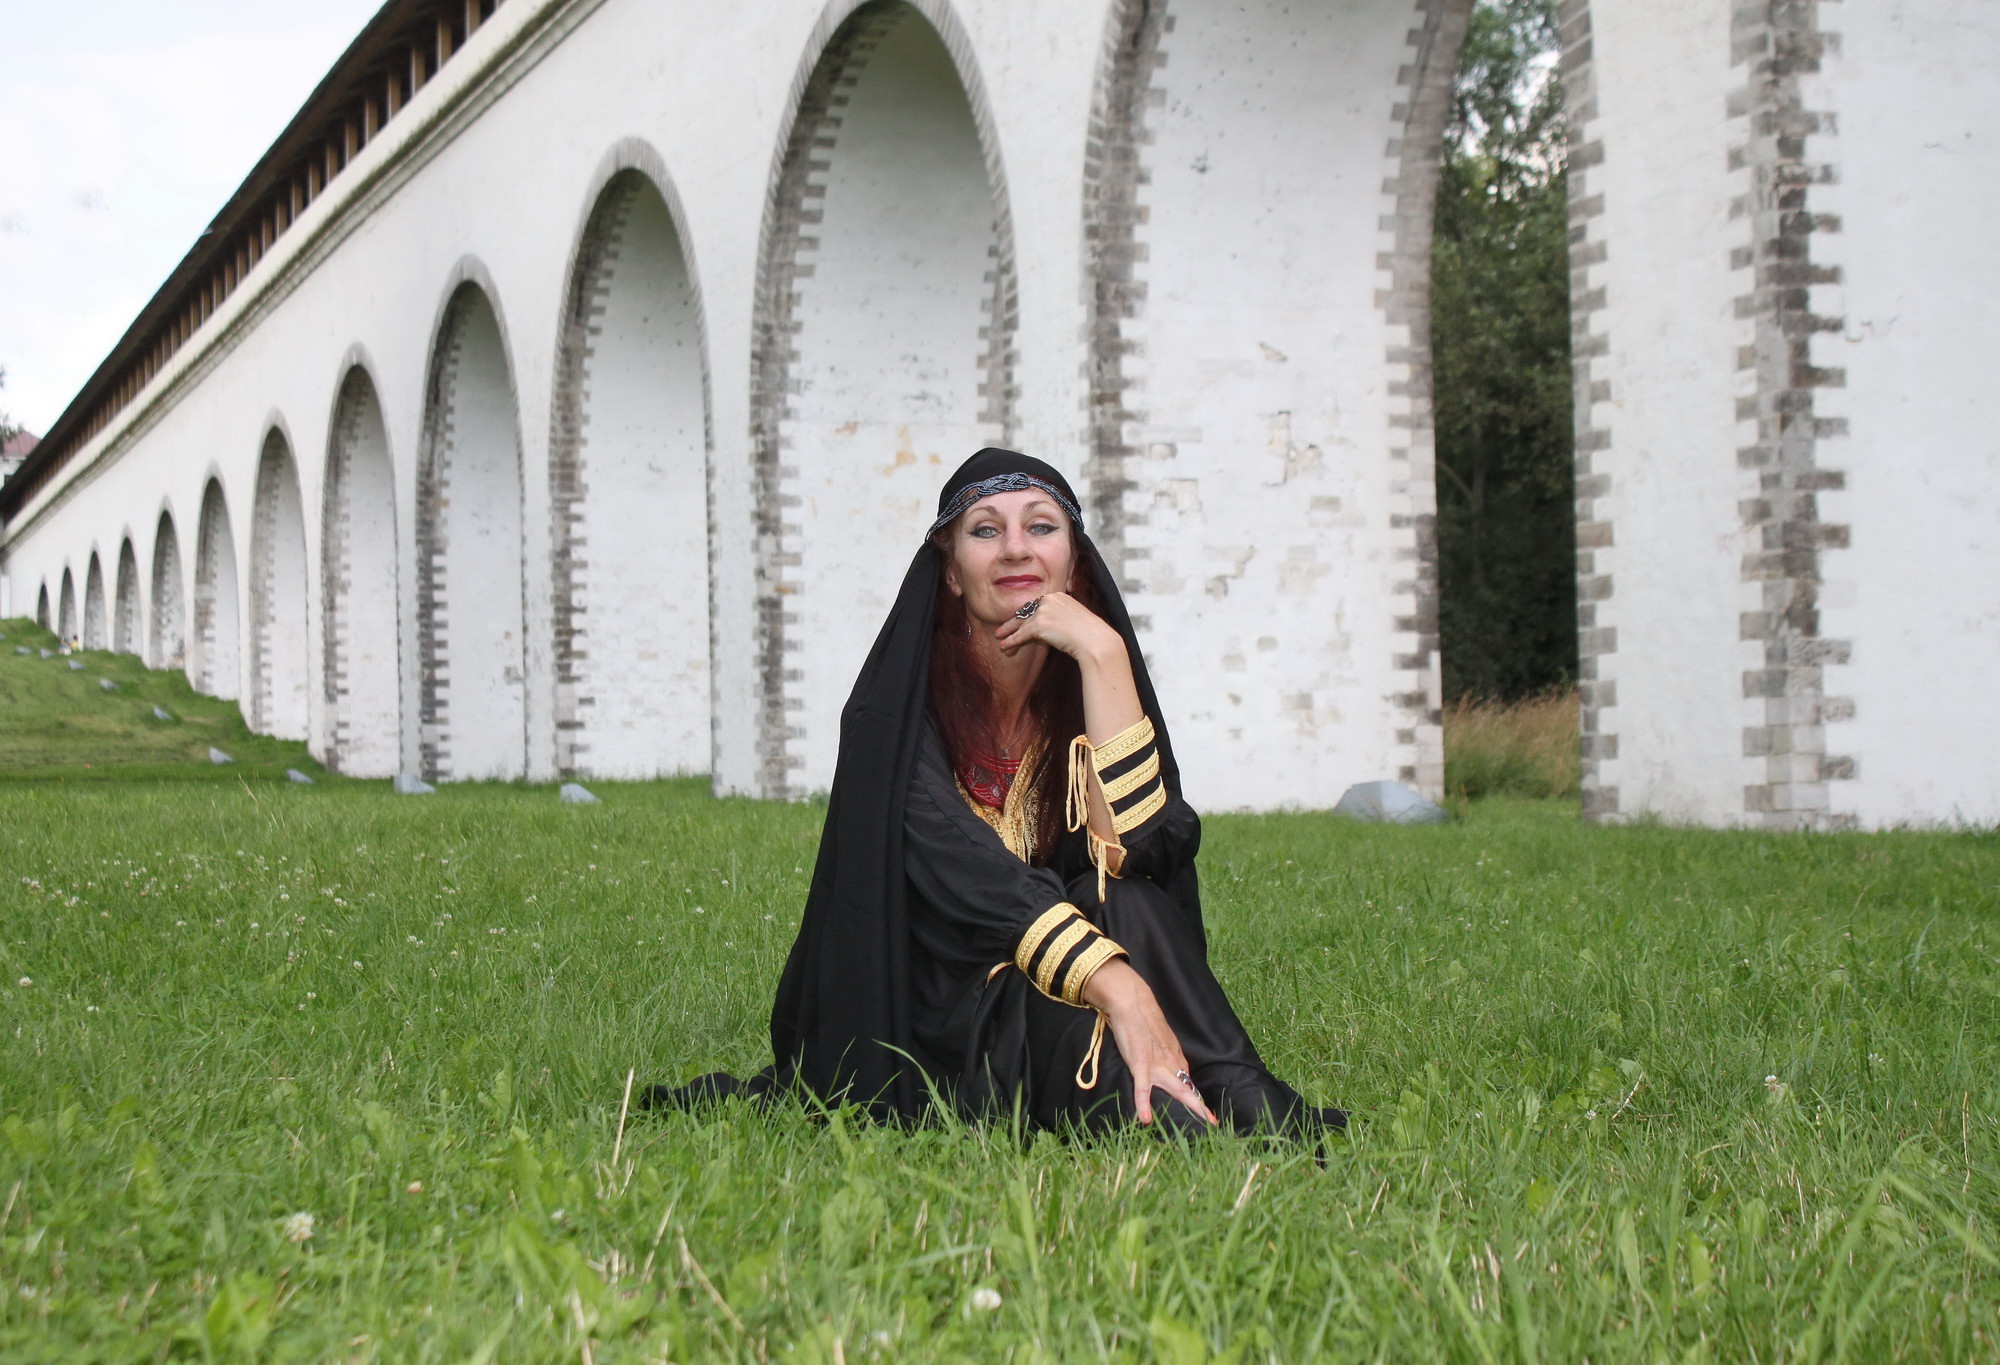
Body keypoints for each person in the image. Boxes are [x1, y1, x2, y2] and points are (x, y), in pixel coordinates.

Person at [652, 449, 1343, 1137]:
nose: (1016, 547)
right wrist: (1119, 987)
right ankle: (1189, 1112)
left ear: (1074, 563)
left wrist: (1103, 654)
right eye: (985, 529)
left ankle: (1237, 1095)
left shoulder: (1088, 686)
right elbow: (971, 880)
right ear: (952, 570)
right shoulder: (891, 717)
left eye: (1041, 526)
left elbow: (1141, 856)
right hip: (940, 1014)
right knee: (1077, 1034)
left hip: (1062, 970)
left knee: (1129, 901)